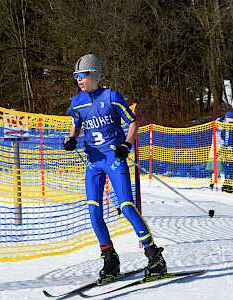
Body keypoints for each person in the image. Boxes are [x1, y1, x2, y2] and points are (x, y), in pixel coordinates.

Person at [63, 54, 166, 280]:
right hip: (94, 161)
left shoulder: (112, 96)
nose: (79, 80)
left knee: (127, 207)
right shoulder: (76, 102)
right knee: (93, 209)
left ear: (95, 75)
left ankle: (154, 255)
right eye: (76, 76)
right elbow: (76, 123)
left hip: (114, 159)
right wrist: (71, 138)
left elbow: (133, 122)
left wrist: (126, 145)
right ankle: (109, 258)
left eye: (83, 75)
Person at [220, 110, 233, 194]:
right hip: (232, 150)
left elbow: (225, 137)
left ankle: (231, 185)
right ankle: (231, 185)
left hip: (230, 150)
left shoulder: (229, 127)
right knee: (231, 167)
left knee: (231, 167)